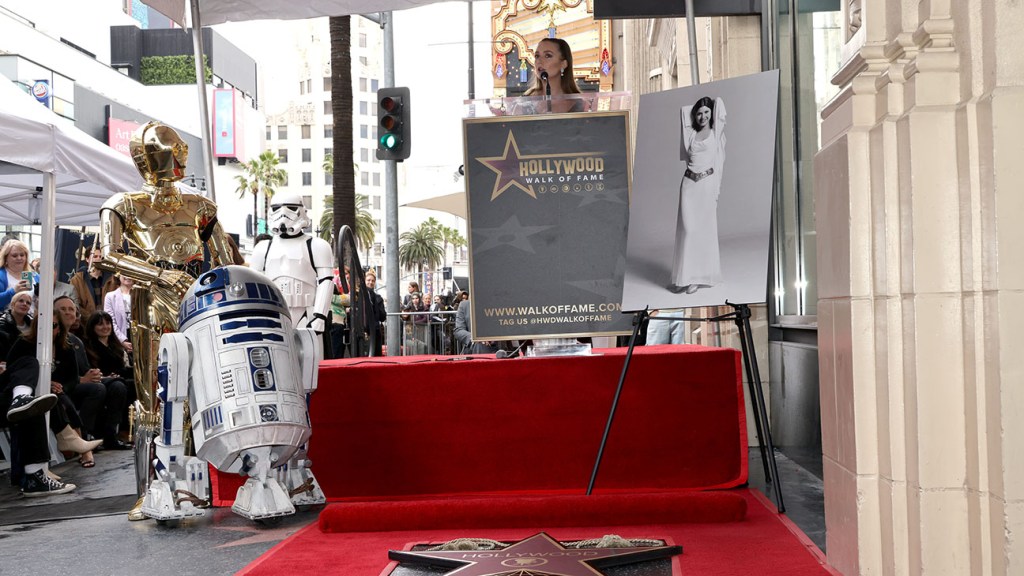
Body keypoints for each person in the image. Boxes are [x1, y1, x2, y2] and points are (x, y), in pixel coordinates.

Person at [93, 121, 236, 516]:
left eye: (175, 152)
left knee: (200, 389)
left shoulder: (200, 207)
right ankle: (149, 489)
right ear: (143, 159)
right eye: (161, 153)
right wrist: (157, 274)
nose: (171, 159)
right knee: (151, 397)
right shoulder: (123, 203)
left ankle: (194, 484)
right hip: (149, 303)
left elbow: (225, 259)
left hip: (197, 298)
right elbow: (105, 255)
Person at [5, 313, 103, 476]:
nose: (50, 329)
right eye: (45, 325)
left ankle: (75, 444)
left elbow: (73, 378)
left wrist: (60, 386)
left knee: (62, 397)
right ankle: (75, 445)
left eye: (54, 325)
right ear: (36, 326)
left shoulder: (66, 346)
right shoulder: (23, 343)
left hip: (60, 389)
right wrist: (44, 383)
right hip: (28, 389)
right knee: (55, 400)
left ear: (60, 328)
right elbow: (13, 370)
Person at [670, 95, 727, 295]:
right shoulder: (690, 135)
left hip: (706, 185)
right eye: (699, 113)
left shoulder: (717, 134)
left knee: (702, 231)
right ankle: (683, 277)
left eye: (706, 112)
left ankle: (696, 278)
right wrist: (697, 108)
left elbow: (720, 105)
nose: (702, 116)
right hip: (688, 185)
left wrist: (716, 189)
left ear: (712, 114)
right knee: (688, 230)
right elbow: (684, 111)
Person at [82, 311, 133, 450]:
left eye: (107, 323)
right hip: (100, 381)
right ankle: (110, 435)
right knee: (118, 387)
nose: (105, 327)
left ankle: (128, 431)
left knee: (133, 385)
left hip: (118, 379)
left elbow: (124, 368)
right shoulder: (88, 346)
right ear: (92, 327)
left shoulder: (116, 346)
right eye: (100, 324)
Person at [522, 37, 584, 114]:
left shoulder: (582, 104)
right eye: (537, 56)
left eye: (548, 56)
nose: (539, 61)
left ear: (563, 64)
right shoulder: (523, 103)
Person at [70, 246, 117, 319]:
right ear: (87, 259)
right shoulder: (77, 280)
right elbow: (75, 305)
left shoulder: (113, 279)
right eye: (95, 256)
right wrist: (91, 319)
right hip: (86, 325)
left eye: (101, 257)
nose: (98, 259)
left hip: (109, 324)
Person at [0, 239, 39, 310]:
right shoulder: (1, 275)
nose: (19, 258)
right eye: (14, 256)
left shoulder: (35, 276)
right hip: (7, 319)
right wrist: (13, 291)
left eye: (22, 255)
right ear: (6, 258)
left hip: (33, 319)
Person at [103, 274, 134, 353]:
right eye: (124, 273)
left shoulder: (143, 295)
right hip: (120, 339)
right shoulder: (110, 296)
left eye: (130, 272)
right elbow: (110, 321)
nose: (128, 276)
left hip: (140, 338)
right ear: (118, 275)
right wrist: (122, 341)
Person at [0, 289, 32, 358]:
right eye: (21, 301)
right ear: (12, 304)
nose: (24, 304)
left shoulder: (33, 324)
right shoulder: (2, 323)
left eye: (28, 303)